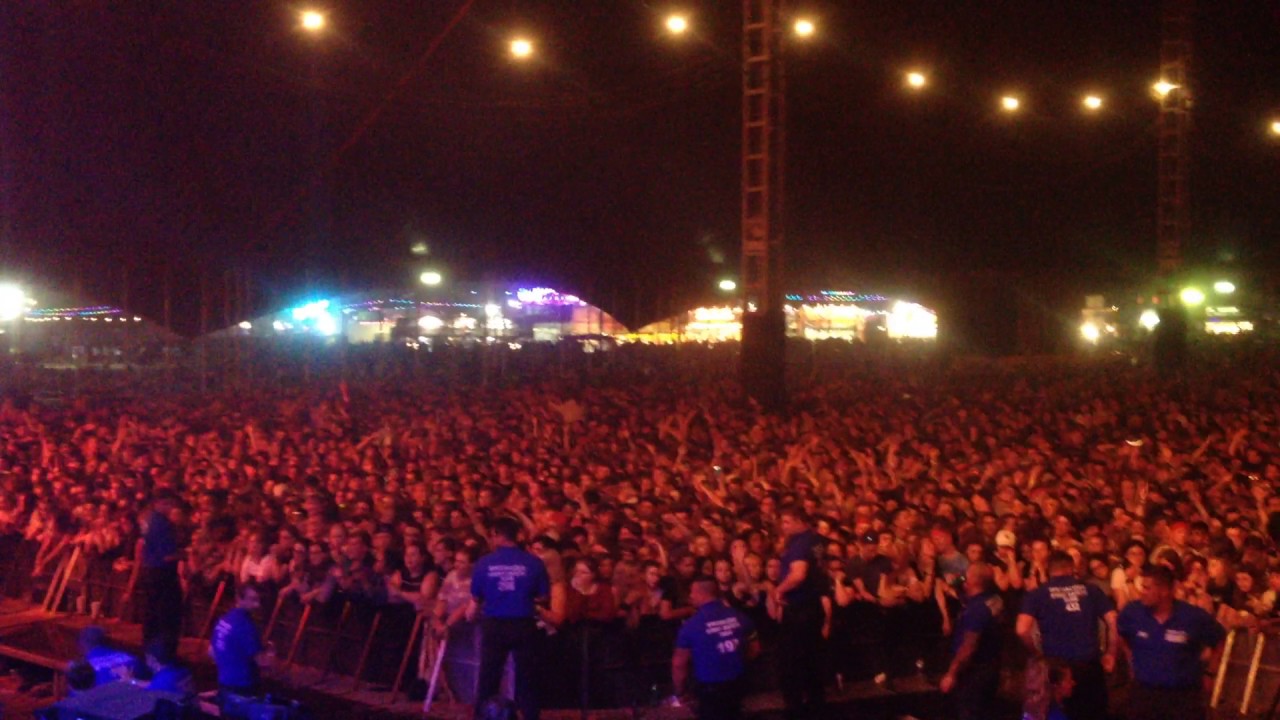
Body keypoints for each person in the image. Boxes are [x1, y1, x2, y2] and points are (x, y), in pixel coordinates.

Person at [1016, 550, 1118, 720]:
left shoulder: (1038, 594)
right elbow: (1113, 620)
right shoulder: (1091, 590)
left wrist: (1037, 654)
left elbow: (1021, 629)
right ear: (1071, 568)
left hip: (1056, 670)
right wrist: (1111, 652)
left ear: (1048, 569)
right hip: (1089, 665)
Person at [1117, 564, 1226, 720]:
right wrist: (1131, 662)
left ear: (1164, 591)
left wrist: (1210, 673)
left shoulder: (1192, 617)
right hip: (1144, 694)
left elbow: (1219, 639)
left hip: (1182, 697)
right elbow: (1122, 635)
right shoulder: (1132, 612)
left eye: (1147, 588)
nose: (1141, 592)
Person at [468, 516, 550, 720]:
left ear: (497, 534)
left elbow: (476, 597)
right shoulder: (534, 562)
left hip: (494, 623)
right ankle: (530, 716)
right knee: (527, 677)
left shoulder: (484, 563)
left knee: (489, 675)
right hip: (523, 623)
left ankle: (482, 716)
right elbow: (543, 596)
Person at [672, 577, 759, 720]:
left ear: (701, 594)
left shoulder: (691, 626)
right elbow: (755, 649)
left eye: (692, 592)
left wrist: (680, 691)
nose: (690, 596)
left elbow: (679, 664)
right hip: (738, 683)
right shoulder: (740, 617)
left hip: (710, 689)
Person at [771, 506, 826, 720]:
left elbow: (798, 575)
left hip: (799, 609)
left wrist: (779, 590)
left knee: (792, 662)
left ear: (798, 520)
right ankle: (815, 706)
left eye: (786, 522)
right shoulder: (816, 539)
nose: (783, 527)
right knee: (812, 660)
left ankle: (795, 709)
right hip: (814, 606)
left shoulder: (800, 544)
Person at [940, 563, 1004, 720]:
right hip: (991, 667)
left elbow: (969, 646)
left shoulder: (976, 610)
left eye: (966, 576)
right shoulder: (995, 599)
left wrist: (951, 673)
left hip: (974, 672)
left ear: (973, 580)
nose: (964, 579)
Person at [139, 495, 183, 656]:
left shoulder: (149, 520)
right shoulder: (163, 524)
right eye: (168, 504)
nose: (170, 508)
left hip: (150, 571)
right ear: (159, 503)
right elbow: (167, 555)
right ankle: (165, 652)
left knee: (151, 612)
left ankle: (149, 647)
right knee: (167, 614)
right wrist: (184, 554)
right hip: (163, 574)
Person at [210, 582, 269, 702]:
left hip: (224, 684)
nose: (257, 605)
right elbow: (262, 662)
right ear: (239, 599)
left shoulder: (223, 620)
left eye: (258, 600)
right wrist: (271, 654)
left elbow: (211, 651)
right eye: (252, 600)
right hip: (244, 689)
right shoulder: (246, 626)